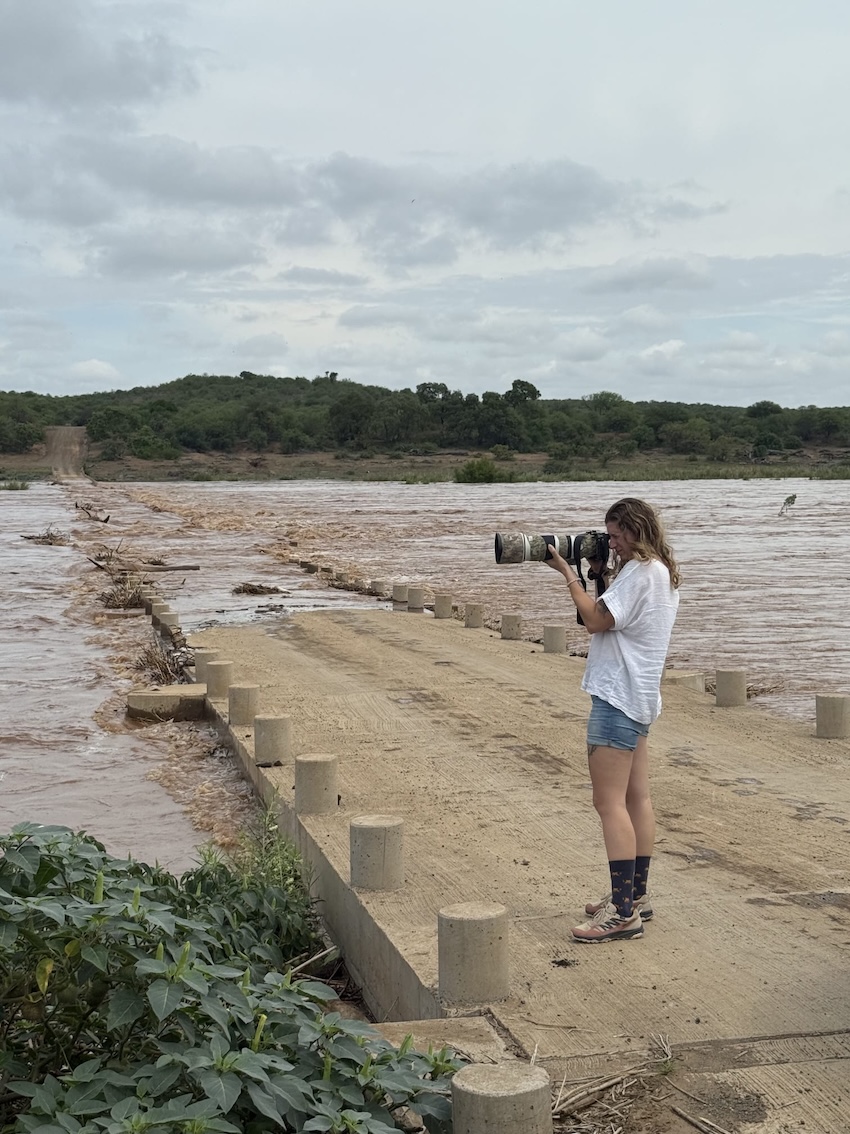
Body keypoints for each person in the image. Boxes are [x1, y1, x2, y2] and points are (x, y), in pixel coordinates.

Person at [545, 498, 680, 943]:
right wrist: (602, 574)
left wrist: (569, 575)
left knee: (609, 805)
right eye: (610, 536)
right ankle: (634, 896)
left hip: (617, 699)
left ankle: (622, 915)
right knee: (637, 799)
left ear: (638, 530)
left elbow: (594, 620)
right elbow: (617, 615)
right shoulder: (660, 572)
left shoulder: (639, 573)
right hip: (640, 697)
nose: (614, 543)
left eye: (619, 535)